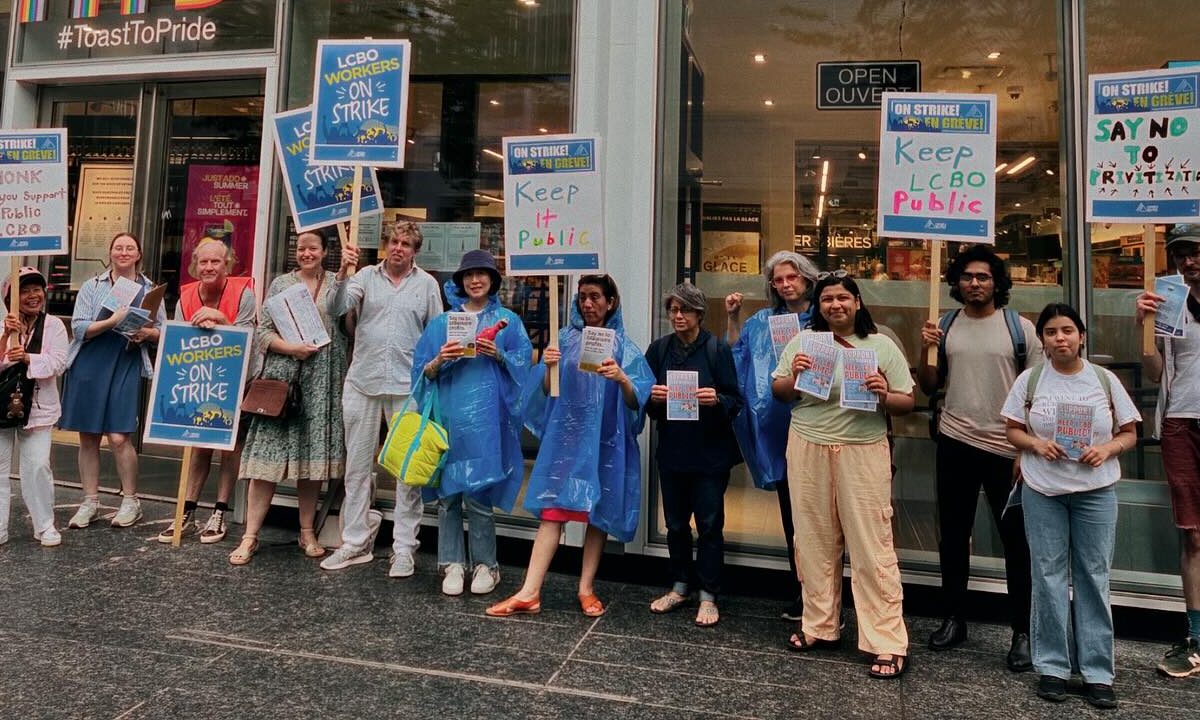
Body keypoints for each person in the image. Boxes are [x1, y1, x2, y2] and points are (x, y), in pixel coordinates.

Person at [770, 271, 914, 679]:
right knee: (813, 538)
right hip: (807, 444)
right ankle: (820, 625)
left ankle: (885, 640)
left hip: (863, 449)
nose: (835, 305)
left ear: (857, 303)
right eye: (827, 299)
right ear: (819, 306)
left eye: (842, 298)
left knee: (872, 544)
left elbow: (906, 401)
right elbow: (778, 391)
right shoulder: (803, 343)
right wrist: (794, 376)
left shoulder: (881, 346)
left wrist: (884, 393)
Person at [486, 274, 653, 617]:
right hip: (567, 441)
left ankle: (586, 588)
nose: (587, 304)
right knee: (553, 512)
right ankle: (530, 590)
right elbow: (548, 392)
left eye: (594, 297)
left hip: (605, 441)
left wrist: (621, 378)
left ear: (610, 302)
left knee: (597, 515)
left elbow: (638, 400)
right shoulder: (563, 339)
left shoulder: (623, 346)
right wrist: (549, 366)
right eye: (582, 297)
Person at [1001, 303, 1139, 710]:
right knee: (1047, 575)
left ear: (1081, 336)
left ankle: (1098, 671)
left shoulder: (1103, 380)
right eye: (1050, 332)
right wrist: (1035, 444)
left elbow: (1129, 432)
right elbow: (1011, 428)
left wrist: (1107, 448)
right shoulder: (1030, 381)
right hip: (1043, 489)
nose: (1059, 338)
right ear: (1041, 340)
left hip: (1095, 491)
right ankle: (1053, 667)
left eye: (1067, 330)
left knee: (1094, 576)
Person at [916, 244, 1039, 671]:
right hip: (955, 440)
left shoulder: (1019, 328)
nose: (974, 283)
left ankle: (1022, 630)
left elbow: (1039, 393)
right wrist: (925, 349)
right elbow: (930, 386)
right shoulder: (947, 324)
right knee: (953, 535)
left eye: (983, 277)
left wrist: (1028, 447)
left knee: (1016, 543)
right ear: (956, 283)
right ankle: (954, 617)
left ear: (997, 283)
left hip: (1006, 449)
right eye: (967, 277)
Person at [321, 221, 443, 575]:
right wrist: (343, 271)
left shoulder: (427, 285)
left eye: (406, 243)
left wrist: (433, 373)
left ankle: (404, 547)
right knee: (357, 468)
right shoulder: (364, 277)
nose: (398, 248)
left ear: (415, 251)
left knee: (407, 473)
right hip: (362, 382)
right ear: (385, 245)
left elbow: (436, 332)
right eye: (393, 241)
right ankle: (355, 541)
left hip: (408, 389)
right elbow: (335, 308)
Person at [413, 249, 531, 595]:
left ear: (492, 280)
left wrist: (500, 355)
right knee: (449, 496)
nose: (475, 280)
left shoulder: (509, 322)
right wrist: (440, 359)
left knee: (478, 493)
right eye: (468, 275)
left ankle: (486, 565)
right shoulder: (442, 323)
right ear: (460, 281)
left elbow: (523, 366)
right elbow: (422, 371)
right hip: (449, 418)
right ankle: (451, 563)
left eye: (481, 274)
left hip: (486, 422)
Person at [228, 229, 348, 565]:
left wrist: (349, 274)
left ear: (325, 251)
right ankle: (250, 535)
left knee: (311, 466)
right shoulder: (282, 284)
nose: (307, 253)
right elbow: (263, 331)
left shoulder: (338, 284)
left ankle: (306, 531)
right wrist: (291, 348)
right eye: (302, 248)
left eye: (314, 248)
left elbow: (346, 326)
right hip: (284, 382)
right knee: (265, 462)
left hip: (322, 382)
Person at [725, 251, 820, 621]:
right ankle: (803, 590)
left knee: (821, 518)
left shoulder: (824, 315)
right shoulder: (763, 319)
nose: (785, 285)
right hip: (778, 432)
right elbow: (738, 353)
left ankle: (825, 593)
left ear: (807, 279)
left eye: (791, 277)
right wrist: (733, 316)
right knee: (792, 517)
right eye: (778, 280)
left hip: (818, 426)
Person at [645, 283, 742, 627]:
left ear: (699, 314)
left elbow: (736, 400)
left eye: (684, 310)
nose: (677, 316)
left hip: (711, 454)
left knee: (710, 525)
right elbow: (645, 400)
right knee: (674, 525)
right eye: (672, 310)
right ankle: (680, 584)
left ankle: (709, 594)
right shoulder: (659, 350)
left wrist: (716, 399)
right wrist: (653, 399)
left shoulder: (716, 350)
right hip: (672, 451)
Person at [61, 232, 166, 530]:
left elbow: (163, 331)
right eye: (118, 247)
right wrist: (112, 321)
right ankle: (89, 502)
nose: (123, 252)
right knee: (89, 436)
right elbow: (79, 327)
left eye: (129, 248)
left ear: (138, 254)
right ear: (110, 253)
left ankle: (131, 500)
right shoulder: (92, 286)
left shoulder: (150, 290)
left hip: (126, 360)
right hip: (90, 362)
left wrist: (146, 333)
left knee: (119, 437)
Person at [157, 236, 256, 544]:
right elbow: (177, 339)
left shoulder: (244, 293)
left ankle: (220, 511)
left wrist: (221, 319)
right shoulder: (185, 298)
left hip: (234, 378)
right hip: (197, 377)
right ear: (195, 264)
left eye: (216, 261)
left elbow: (250, 337)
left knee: (229, 446)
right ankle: (186, 512)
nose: (209, 267)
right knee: (198, 446)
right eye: (204, 261)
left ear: (227, 264)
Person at [1135, 223, 1200, 678]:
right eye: (1180, 255)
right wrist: (1143, 328)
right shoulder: (1170, 302)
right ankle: (1195, 636)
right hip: (1181, 421)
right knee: (1193, 534)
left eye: (1195, 252)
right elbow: (1156, 370)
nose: (1189, 261)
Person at [0, 268, 69, 547]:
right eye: (25, 291)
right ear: (12, 297)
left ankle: (45, 525)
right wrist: (6, 338)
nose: (32, 296)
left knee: (38, 466)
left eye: (36, 290)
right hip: (0, 407)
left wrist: (27, 358)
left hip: (39, 409)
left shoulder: (54, 325)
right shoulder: (3, 323)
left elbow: (59, 362)